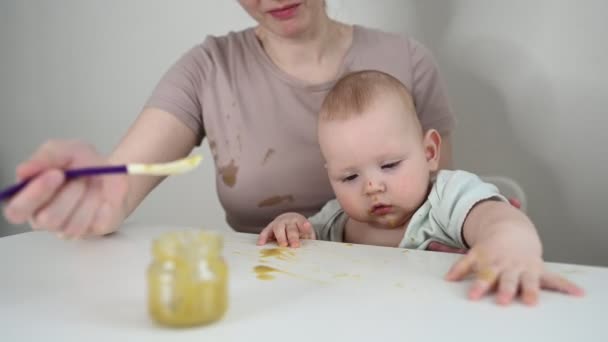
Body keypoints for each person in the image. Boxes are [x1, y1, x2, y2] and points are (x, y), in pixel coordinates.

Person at [2, 0, 457, 241]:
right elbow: (116, 191)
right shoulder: (206, 69)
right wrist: (95, 197)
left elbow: (445, 205)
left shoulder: (408, 61)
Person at [257, 70, 584, 305]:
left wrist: (509, 244)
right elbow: (301, 245)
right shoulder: (335, 219)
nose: (372, 185)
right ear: (331, 177)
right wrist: (289, 224)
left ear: (429, 153)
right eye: (349, 177)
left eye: (389, 166)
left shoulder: (446, 198)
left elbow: (496, 219)